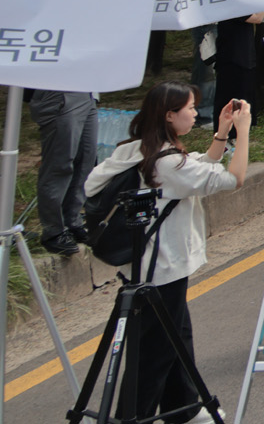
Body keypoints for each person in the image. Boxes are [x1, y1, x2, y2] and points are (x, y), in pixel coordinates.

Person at [85, 83, 249, 422]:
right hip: (163, 267)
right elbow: (232, 179)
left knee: (177, 334)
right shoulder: (168, 163)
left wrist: (221, 133)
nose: (193, 112)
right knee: (154, 351)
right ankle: (131, 416)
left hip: (143, 264)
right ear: (169, 115)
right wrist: (242, 133)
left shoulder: (134, 151)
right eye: (189, 107)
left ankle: (183, 407)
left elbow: (195, 169)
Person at [28, 88, 95, 257]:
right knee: (60, 164)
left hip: (88, 92)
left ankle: (73, 222)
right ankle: (53, 231)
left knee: (86, 161)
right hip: (60, 92)